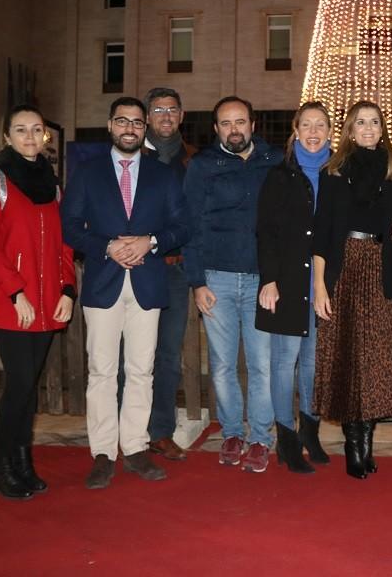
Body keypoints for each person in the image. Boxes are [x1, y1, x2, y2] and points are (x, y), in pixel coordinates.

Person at [61, 96, 190, 490]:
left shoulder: (162, 174)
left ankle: (134, 446)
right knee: (101, 370)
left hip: (148, 284)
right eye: (123, 121)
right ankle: (102, 451)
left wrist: (150, 241)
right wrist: (107, 245)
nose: (130, 128)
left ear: (144, 127)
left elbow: (182, 227)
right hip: (103, 282)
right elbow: (70, 226)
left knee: (141, 369)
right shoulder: (86, 172)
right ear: (110, 125)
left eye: (137, 122)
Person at [0, 104, 75, 499]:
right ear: (7, 136)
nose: (30, 137)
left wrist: (67, 289)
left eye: (37, 130)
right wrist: (16, 292)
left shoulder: (51, 180)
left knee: (28, 386)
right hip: (10, 301)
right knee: (18, 385)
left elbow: (64, 242)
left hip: (48, 300)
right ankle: (3, 467)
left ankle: (23, 463)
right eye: (21, 130)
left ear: (45, 136)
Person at [183, 96, 283, 473]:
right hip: (217, 280)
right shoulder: (203, 165)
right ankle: (230, 432)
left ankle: (260, 437)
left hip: (263, 280)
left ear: (253, 125)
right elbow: (191, 225)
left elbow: (283, 222)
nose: (234, 129)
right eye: (226, 123)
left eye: (240, 122)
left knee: (261, 364)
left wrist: (277, 278)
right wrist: (197, 282)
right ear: (216, 129)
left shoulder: (274, 161)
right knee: (223, 365)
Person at [312, 100, 392, 480]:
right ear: (350, 130)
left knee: (377, 356)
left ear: (382, 130)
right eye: (360, 122)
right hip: (344, 264)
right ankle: (353, 442)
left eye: (374, 122)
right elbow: (322, 232)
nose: (368, 128)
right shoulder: (333, 173)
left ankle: (367, 435)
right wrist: (319, 284)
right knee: (348, 353)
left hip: (380, 267)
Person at [256, 101, 333, 474]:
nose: (314, 132)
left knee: (314, 363)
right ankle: (286, 441)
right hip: (286, 281)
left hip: (323, 285)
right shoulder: (279, 176)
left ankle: (310, 433)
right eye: (307, 125)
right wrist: (268, 279)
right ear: (296, 131)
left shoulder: (338, 175)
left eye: (321, 125)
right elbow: (265, 232)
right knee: (284, 361)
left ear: (331, 132)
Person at [130, 87, 197, 462]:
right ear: (148, 117)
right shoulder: (130, 156)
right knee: (134, 356)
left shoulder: (194, 161)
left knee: (168, 355)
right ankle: (131, 429)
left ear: (181, 116)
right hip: (138, 267)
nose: (166, 116)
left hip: (175, 268)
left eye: (172, 109)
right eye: (158, 110)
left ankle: (160, 431)